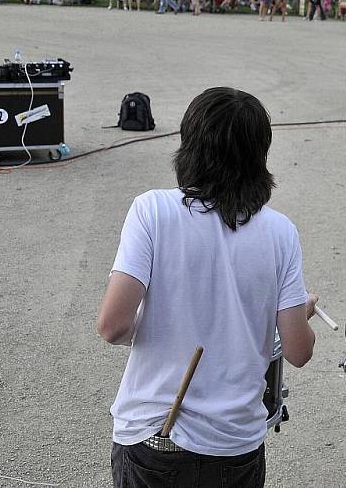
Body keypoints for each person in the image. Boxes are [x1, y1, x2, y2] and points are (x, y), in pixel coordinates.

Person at [98, 87, 317, 488]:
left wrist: (153, 327)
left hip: (153, 436)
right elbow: (299, 352)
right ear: (259, 156)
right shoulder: (280, 232)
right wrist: (300, 312)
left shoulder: (152, 210)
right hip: (234, 446)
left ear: (189, 146)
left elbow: (112, 326)